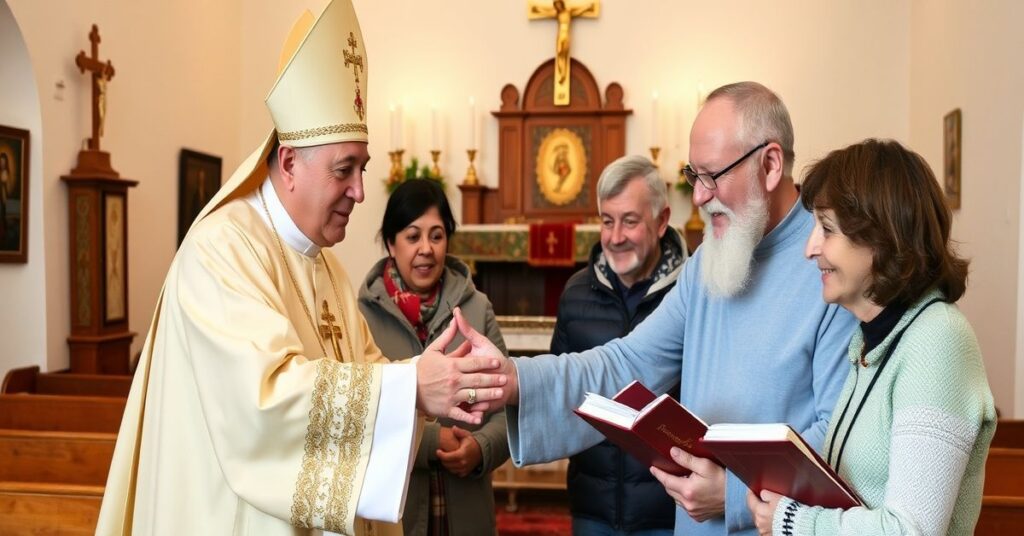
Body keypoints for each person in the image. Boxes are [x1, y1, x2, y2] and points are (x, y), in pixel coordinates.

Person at [95, 2, 505, 534]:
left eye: (362, 168)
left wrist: (421, 378)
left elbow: (366, 370)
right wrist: (411, 388)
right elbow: (262, 405)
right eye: (344, 170)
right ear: (289, 162)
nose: (360, 191)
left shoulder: (326, 267)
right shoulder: (221, 251)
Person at [451, 81, 859, 536]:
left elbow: (841, 434)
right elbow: (628, 363)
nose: (698, 196)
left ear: (770, 164)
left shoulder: (830, 264)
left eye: (712, 175)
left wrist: (733, 494)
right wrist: (514, 379)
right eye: (693, 175)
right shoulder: (708, 262)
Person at [747, 139, 996, 535]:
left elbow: (911, 530)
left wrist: (791, 520)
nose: (810, 249)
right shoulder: (871, 340)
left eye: (827, 229)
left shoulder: (938, 340)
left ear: (881, 236)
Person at [358, 179, 510, 536]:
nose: (426, 249)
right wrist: (430, 442)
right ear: (391, 243)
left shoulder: (477, 308)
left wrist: (481, 447)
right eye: (413, 236)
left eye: (437, 236)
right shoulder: (362, 317)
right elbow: (359, 414)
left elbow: (509, 406)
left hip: (468, 506)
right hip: (395, 514)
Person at [551, 155, 687, 536]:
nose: (615, 237)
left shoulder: (691, 294)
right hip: (592, 506)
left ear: (661, 221)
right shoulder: (575, 294)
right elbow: (561, 390)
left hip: (667, 506)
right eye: (607, 221)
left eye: (629, 221)